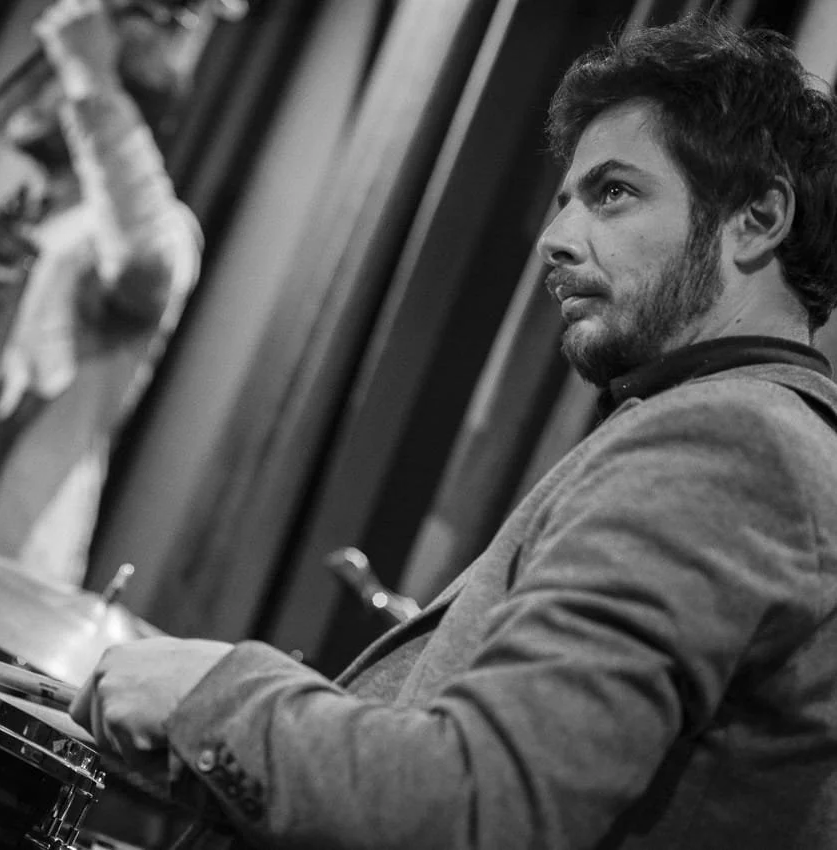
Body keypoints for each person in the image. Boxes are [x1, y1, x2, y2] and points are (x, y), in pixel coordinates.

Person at [65, 15, 837, 849]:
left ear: (757, 218)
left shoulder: (726, 443)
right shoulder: (751, 431)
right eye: (564, 201)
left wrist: (213, 696)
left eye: (613, 192)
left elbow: (482, 806)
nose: (555, 240)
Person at [0, 0, 203, 590]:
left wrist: (89, 76)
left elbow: (144, 261)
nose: (42, 90)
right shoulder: (32, 219)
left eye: (57, 76)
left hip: (3, 569)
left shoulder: (162, 233)